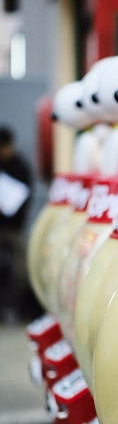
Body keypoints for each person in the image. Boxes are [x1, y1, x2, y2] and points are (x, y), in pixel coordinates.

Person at [0, 125, 33, 323]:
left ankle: (21, 310)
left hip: (15, 227)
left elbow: (25, 196)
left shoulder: (21, 167)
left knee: (20, 271)